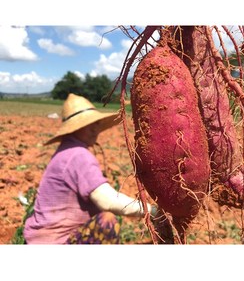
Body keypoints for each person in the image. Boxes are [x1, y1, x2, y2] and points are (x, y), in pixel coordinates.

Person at [23, 93, 156, 244]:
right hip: (56, 242)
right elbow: (107, 201)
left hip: (39, 239)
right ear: (74, 129)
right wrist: (152, 211)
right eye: (87, 125)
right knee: (106, 222)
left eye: (96, 123)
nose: (95, 129)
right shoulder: (78, 155)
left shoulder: (66, 151)